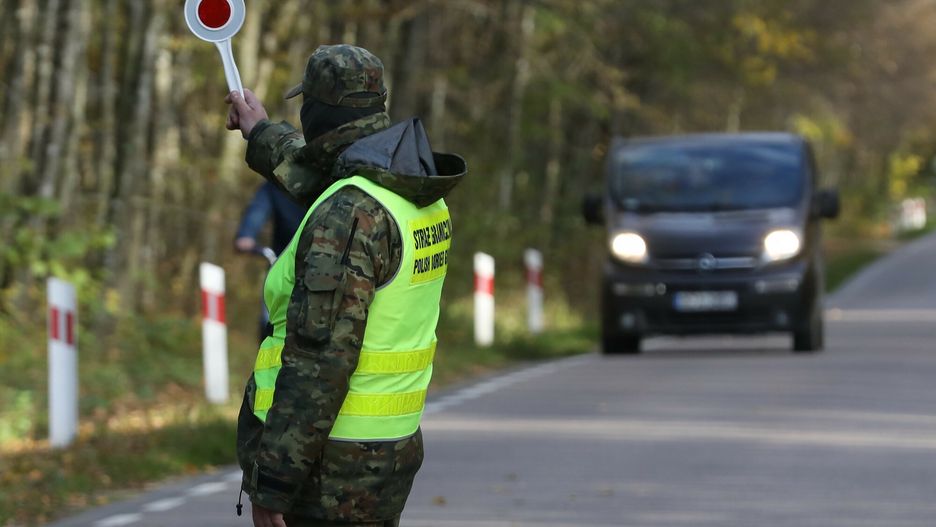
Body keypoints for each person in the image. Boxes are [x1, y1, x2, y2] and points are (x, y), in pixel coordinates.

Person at [225, 44, 466, 527]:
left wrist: (274, 482)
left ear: (316, 110)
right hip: (384, 460)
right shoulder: (407, 189)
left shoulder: (348, 215)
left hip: (325, 473)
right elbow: (324, 176)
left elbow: (320, 362)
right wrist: (260, 132)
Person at [234, 181, 305, 256]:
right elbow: (259, 208)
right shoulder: (276, 184)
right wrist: (247, 234)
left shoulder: (316, 181)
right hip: (282, 253)